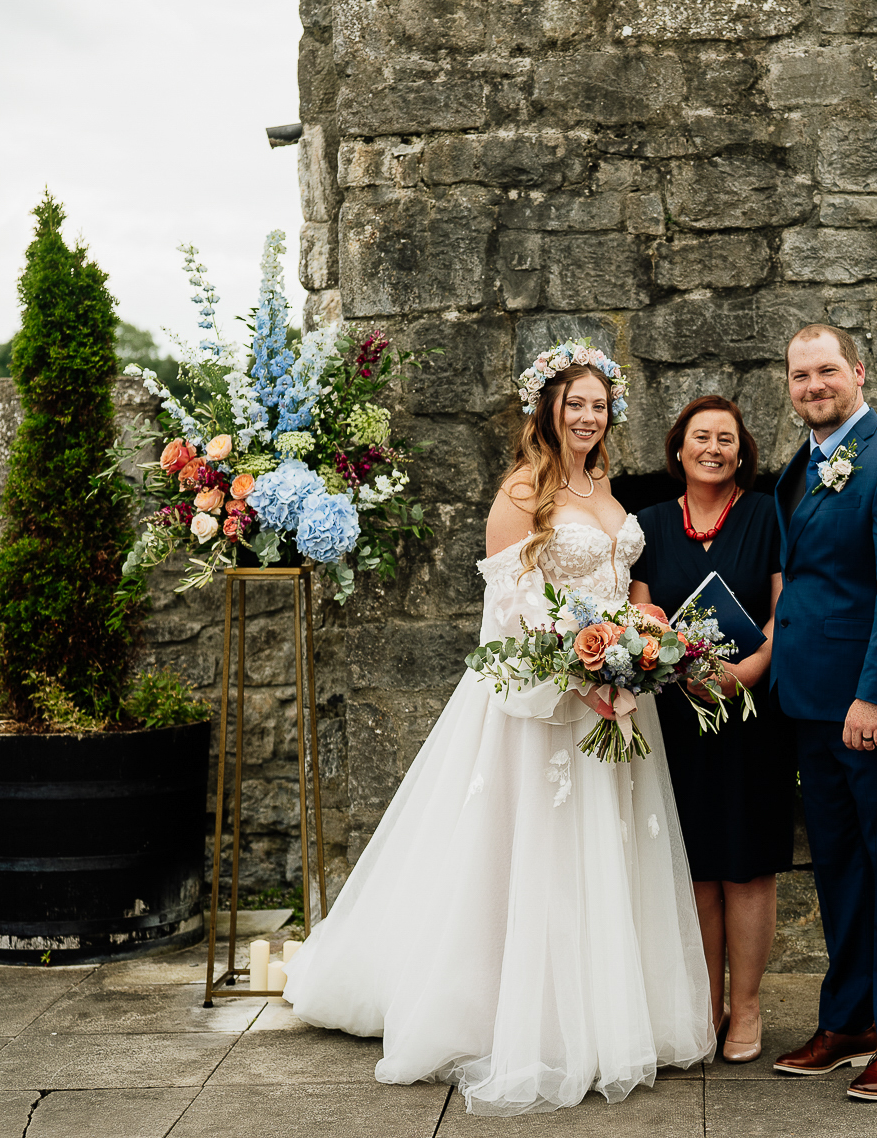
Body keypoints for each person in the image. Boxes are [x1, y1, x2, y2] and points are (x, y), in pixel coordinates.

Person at [283, 343, 714, 1116]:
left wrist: (635, 651)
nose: (588, 416)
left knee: (607, 848)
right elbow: (512, 607)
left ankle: (606, 1010)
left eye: (598, 404)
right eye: (573, 403)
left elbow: (617, 582)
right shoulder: (522, 488)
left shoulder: (605, 484)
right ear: (545, 409)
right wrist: (582, 676)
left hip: (617, 689)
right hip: (549, 698)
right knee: (533, 851)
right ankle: (525, 1021)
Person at [767, 324, 877, 1103]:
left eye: (826, 370)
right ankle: (850, 1022)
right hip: (811, 706)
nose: (813, 385)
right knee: (840, 872)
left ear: (859, 372)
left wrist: (873, 695)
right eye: (800, 375)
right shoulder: (794, 471)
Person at [630, 396, 795, 1065]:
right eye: (702, 437)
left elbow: (789, 608)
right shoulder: (646, 523)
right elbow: (641, 616)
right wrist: (672, 665)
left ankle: (748, 1005)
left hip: (751, 715)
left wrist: (749, 670)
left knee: (747, 868)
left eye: (727, 438)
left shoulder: (766, 514)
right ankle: (705, 1002)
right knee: (695, 869)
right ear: (679, 448)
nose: (714, 448)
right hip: (677, 713)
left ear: (741, 451)